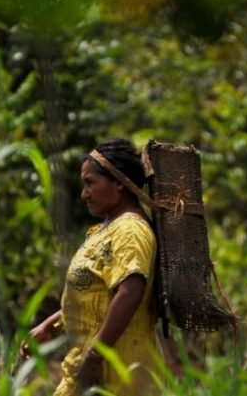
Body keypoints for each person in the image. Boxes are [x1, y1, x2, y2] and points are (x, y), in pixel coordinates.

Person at [20, 138, 158, 396]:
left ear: (118, 183)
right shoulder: (107, 229)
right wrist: (51, 326)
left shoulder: (130, 231)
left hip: (116, 373)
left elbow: (130, 292)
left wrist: (95, 357)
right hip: (86, 370)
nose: (84, 194)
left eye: (90, 183)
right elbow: (96, 295)